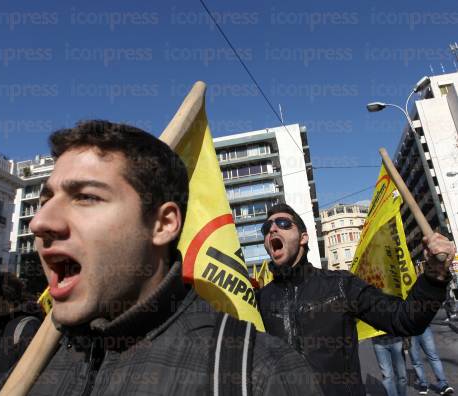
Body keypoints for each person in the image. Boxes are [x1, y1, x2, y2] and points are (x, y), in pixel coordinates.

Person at [23, 120, 323, 395]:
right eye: (46, 200)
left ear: (164, 224)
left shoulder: (261, 373)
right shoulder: (30, 370)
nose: (40, 222)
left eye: (86, 196)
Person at [256, 203, 456, 396]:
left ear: (303, 237)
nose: (272, 229)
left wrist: (435, 275)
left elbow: (405, 318)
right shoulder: (260, 300)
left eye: (283, 223)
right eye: (266, 228)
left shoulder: (341, 285)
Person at [408, 326, 454, 395]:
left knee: (433, 357)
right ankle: (423, 383)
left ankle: (443, 384)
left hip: (424, 328)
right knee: (415, 360)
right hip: (409, 332)